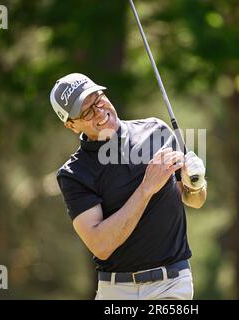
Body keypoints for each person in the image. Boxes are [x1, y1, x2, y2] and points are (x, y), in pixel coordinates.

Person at [50, 73, 207, 300]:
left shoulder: (157, 131)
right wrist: (146, 189)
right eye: (87, 112)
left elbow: (195, 200)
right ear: (71, 125)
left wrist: (196, 182)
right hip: (116, 290)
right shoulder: (74, 174)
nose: (100, 111)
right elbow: (101, 245)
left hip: (171, 284)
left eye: (99, 99)